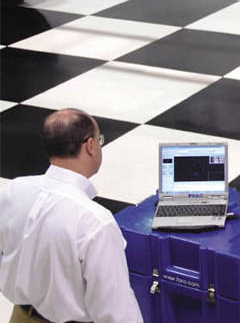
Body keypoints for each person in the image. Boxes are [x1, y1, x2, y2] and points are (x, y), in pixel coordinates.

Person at [0, 109, 143, 323]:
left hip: (20, 316)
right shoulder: (95, 222)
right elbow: (115, 311)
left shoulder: (13, 190)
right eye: (99, 139)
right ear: (90, 146)